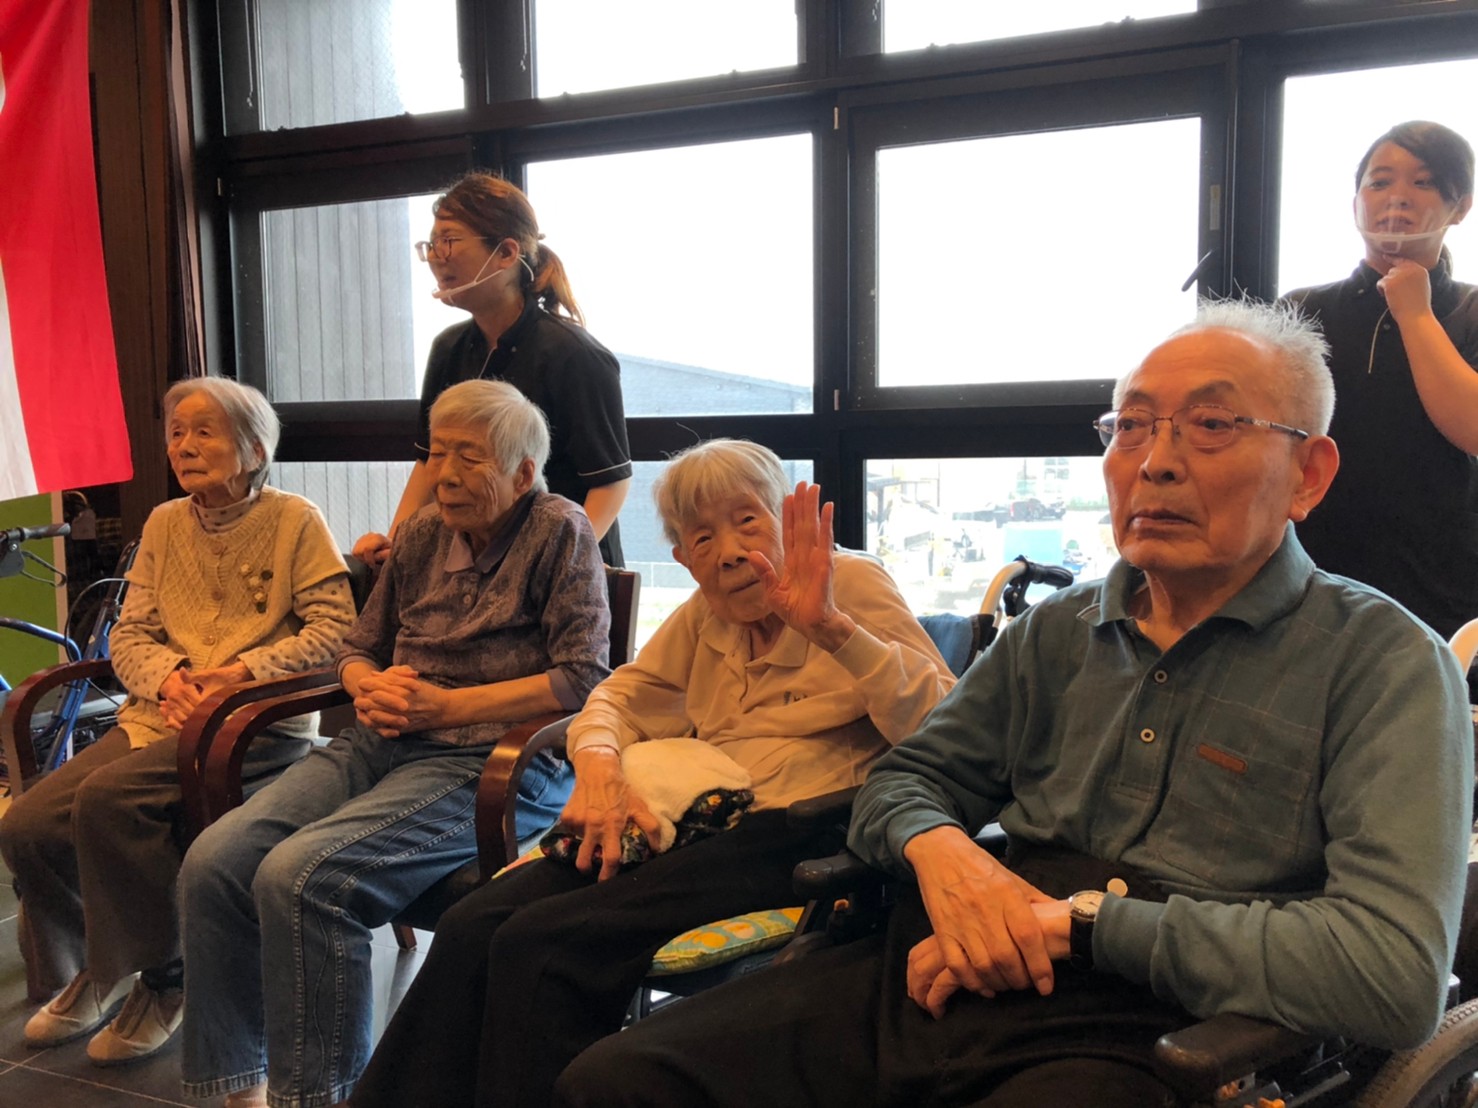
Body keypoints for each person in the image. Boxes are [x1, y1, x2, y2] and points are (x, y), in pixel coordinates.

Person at [552, 300, 1475, 1108]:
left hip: (1166, 1023)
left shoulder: (1385, 664)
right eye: (1130, 427)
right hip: (950, 962)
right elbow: (906, 779)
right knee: (619, 1079)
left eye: (1211, 425)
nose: (1154, 463)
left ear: (1309, 474)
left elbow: (1389, 972)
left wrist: (1080, 926)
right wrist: (944, 852)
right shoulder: (1058, 631)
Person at [347, 439, 959, 1108]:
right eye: (703, 538)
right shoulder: (706, 614)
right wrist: (599, 769)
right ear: (684, 560)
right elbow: (618, 696)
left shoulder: (852, 584)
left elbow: (944, 732)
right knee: (472, 922)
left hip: (803, 832)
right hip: (694, 818)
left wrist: (832, 628)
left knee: (542, 947)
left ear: (788, 521)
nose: (729, 552)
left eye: (747, 521)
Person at [177, 379, 613, 1108]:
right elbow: (357, 647)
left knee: (302, 878)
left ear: (522, 473)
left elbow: (583, 677)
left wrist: (447, 706)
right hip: (383, 741)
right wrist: (366, 684)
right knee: (214, 861)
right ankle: (237, 1084)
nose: (445, 474)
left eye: (469, 457)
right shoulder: (420, 534)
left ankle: (320, 1097)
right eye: (438, 453)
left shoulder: (559, 530)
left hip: (491, 760)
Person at [0, 378, 356, 1066]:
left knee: (108, 801)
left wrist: (237, 674)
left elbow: (335, 629)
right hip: (160, 716)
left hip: (252, 726)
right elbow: (130, 632)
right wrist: (169, 678)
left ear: (254, 450)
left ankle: (168, 978)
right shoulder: (164, 523)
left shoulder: (296, 520)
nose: (183, 446)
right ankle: (101, 966)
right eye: (175, 433)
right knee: (26, 826)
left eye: (203, 432)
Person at [352, 172, 631, 568]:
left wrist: (563, 559)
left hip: (562, 569)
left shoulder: (573, 354)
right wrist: (397, 544)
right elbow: (429, 462)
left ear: (506, 252)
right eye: (432, 243)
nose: (436, 256)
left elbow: (611, 482)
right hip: (476, 561)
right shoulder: (448, 348)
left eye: (449, 240)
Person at [1284, 121, 1478, 644]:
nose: (1398, 197)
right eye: (1380, 181)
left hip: (1443, 587)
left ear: (1460, 207)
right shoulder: (1303, 309)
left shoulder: (1470, 308)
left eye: (1424, 182)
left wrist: (1415, 312)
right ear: (1356, 204)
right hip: (1310, 578)